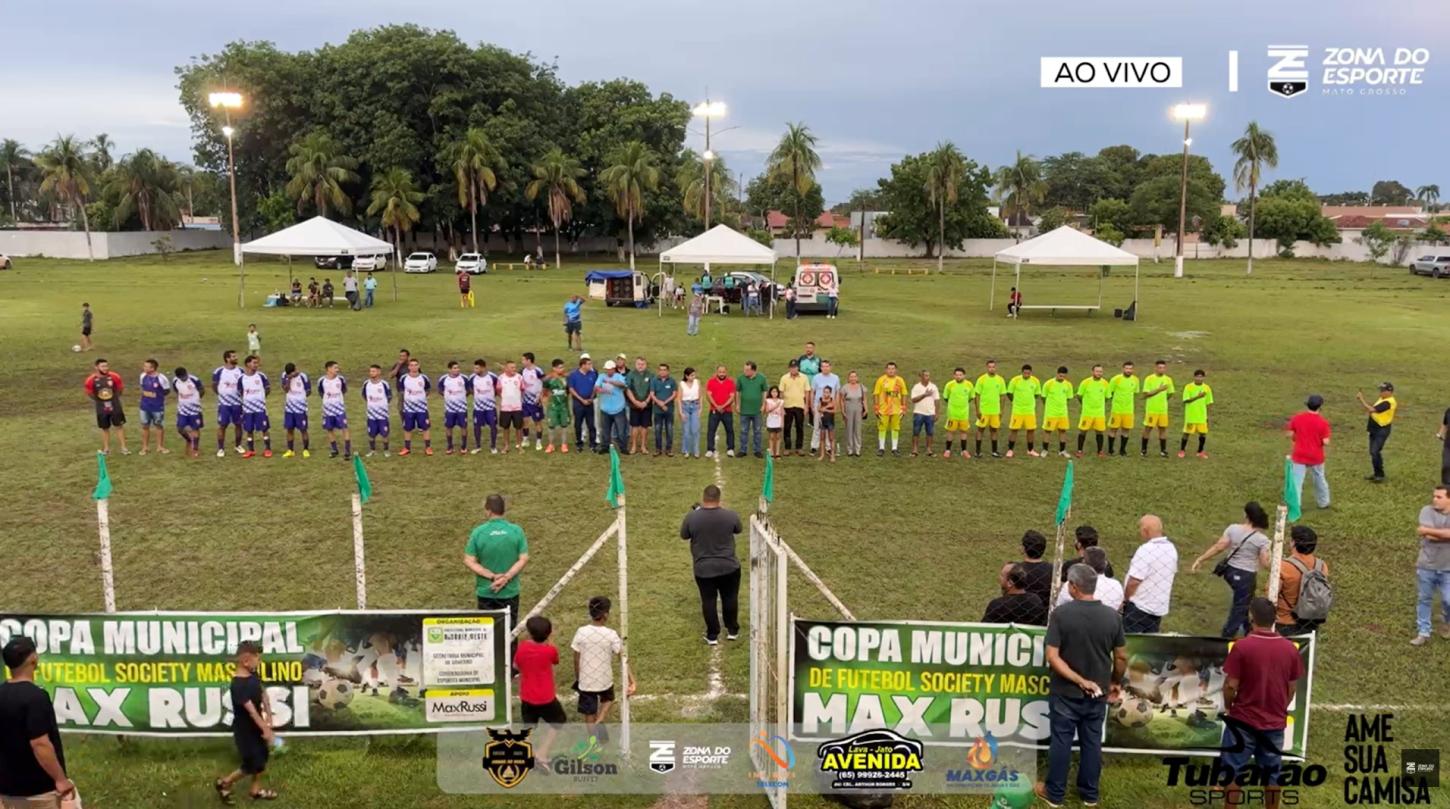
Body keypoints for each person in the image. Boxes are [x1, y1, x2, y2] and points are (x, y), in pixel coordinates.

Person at [1038, 564, 1127, 809]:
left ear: (1074, 587)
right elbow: (1121, 656)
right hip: (1098, 693)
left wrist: (1078, 680)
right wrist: (1116, 681)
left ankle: (1054, 793)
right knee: (1091, 742)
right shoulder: (1112, 617)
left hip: (1066, 692)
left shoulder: (1061, 615)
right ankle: (1090, 794)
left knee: (1061, 740)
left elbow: (1053, 657)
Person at [1218, 598, 1304, 799]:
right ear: (1274, 619)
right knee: (1272, 775)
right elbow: (1292, 687)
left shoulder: (1242, 647)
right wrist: (1280, 708)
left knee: (1232, 771)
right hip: (1273, 722)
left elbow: (1231, 685)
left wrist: (1230, 707)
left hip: (1243, 719)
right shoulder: (1290, 649)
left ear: (1251, 618)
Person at [0, 636, 77, 808]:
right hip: (39, 790)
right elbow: (40, 744)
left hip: (7, 790)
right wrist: (61, 780)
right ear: (33, 659)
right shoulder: (36, 697)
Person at [1190, 502, 1271, 638]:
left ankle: (1248, 630)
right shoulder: (1262, 540)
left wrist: (1201, 559)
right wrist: (1272, 557)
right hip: (1246, 577)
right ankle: (1226, 636)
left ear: (1246, 515)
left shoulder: (1233, 529)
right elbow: (1265, 563)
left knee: (1245, 602)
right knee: (1240, 608)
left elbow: (1219, 547)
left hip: (1230, 572)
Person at [214, 640, 277, 803]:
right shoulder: (237, 685)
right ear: (246, 660)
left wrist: (269, 718)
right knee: (251, 764)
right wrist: (266, 730)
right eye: (258, 659)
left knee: (262, 757)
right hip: (245, 732)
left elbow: (263, 694)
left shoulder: (253, 674)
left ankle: (255, 790)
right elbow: (252, 712)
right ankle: (224, 783)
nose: (260, 662)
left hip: (257, 727)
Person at [680, 485, 743, 644]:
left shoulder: (692, 517)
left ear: (703, 497)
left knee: (708, 600)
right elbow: (738, 529)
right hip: (729, 566)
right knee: (730, 597)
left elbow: (684, 535)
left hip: (704, 568)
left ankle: (712, 635)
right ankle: (732, 630)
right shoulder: (730, 515)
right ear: (719, 499)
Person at [572, 596, 635, 743]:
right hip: (604, 678)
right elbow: (622, 657)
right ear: (606, 614)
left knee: (589, 711)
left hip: (586, 679)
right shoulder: (611, 634)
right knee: (608, 699)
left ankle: (593, 739)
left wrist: (578, 676)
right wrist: (632, 680)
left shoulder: (581, 631)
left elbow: (576, 657)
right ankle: (599, 720)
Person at [464, 494, 530, 636]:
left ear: (488, 511)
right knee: (510, 633)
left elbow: (469, 560)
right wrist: (506, 577)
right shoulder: (516, 531)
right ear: (503, 510)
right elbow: (523, 558)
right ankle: (510, 657)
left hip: (486, 592)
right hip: (510, 592)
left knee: (486, 635)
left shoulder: (478, 532)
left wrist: (493, 576)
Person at [515, 616, 565, 768]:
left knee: (528, 727)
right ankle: (542, 753)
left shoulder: (522, 647)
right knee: (559, 720)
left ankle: (529, 755)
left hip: (527, 696)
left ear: (529, 633)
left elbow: (516, 666)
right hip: (546, 697)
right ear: (549, 634)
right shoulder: (550, 650)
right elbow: (556, 660)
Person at [1122, 514, 1178, 633]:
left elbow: (1134, 581)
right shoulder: (1171, 549)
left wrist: (1125, 599)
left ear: (1145, 530)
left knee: (1130, 644)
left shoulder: (1146, 550)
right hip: (1158, 608)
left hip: (1138, 607)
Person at [1413, 485, 1450, 646]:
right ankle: (1423, 631)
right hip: (1426, 565)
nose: (1434, 499)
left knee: (1449, 600)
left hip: (1448, 567)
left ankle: (1446, 621)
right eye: (1434, 496)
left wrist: (1431, 532)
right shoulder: (1426, 511)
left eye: (1439, 497)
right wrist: (1444, 534)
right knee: (1424, 599)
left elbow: (1429, 533)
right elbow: (1426, 534)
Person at [1277, 525, 1328, 637]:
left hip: (1285, 622)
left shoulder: (1283, 566)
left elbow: (1271, 594)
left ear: (1293, 543)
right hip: (1311, 622)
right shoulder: (1322, 566)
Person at [1285, 394, 1333, 509]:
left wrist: (1297, 439)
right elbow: (1326, 441)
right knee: (1319, 478)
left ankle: (1296, 504)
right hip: (1316, 456)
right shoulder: (1323, 422)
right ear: (1320, 407)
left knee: (1297, 481)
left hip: (1299, 454)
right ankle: (1324, 502)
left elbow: (1290, 434)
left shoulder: (1297, 418)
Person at [1056, 547, 1124, 611]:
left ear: (1084, 564)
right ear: (1105, 564)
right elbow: (1120, 605)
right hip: (1107, 622)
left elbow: (1059, 606)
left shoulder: (1072, 584)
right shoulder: (1116, 585)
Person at [1000, 530, 1054, 606]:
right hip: (1045, 613)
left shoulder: (1016, 570)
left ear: (1023, 549)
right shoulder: (1053, 570)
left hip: (1018, 609)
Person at [1356, 382, 1396, 482]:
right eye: (1380, 390)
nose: (1381, 392)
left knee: (1375, 451)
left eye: (1383, 390)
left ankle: (1380, 475)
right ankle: (1377, 473)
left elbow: (1372, 409)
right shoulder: (1382, 399)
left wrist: (1361, 399)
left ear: (1389, 391)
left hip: (1381, 429)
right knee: (1373, 452)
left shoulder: (1389, 402)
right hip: (1374, 428)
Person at [1005, 363, 1043, 458]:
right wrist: (1015, 401)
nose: (1026, 375)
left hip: (1029, 410)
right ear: (1022, 372)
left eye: (1028, 373)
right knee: (1014, 430)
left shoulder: (1035, 381)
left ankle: (1030, 450)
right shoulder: (1015, 380)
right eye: (1025, 373)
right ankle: (1010, 450)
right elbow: (1009, 393)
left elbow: (1037, 394)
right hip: (1018, 410)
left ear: (1031, 373)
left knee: (1031, 430)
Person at [213, 350, 246, 456]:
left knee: (238, 424)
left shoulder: (241, 371)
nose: (236, 358)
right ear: (227, 359)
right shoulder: (219, 371)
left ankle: (238, 445)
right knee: (222, 425)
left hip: (237, 403)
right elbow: (214, 385)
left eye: (236, 356)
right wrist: (222, 395)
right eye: (233, 356)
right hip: (224, 405)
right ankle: (221, 448)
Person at [1140, 359, 1175, 457]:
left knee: (1162, 429)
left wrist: (1164, 400)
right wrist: (1159, 390)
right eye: (1159, 368)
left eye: (1163, 368)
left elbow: (1170, 393)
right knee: (1148, 428)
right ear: (1155, 368)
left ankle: (1163, 450)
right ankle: (1143, 450)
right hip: (1152, 409)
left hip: (1163, 410)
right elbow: (1146, 393)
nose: (1161, 369)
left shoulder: (1168, 380)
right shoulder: (1149, 379)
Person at [239, 355, 272, 459]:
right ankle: (251, 450)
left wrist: (260, 399)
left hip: (260, 409)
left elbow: (267, 388)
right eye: (254, 363)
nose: (256, 365)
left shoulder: (261, 376)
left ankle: (267, 449)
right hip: (248, 409)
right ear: (248, 364)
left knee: (264, 428)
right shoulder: (242, 378)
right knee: (249, 430)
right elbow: (240, 391)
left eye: (257, 363)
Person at [872, 362, 908, 457]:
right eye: (889, 368)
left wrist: (903, 407)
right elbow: (876, 393)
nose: (891, 370)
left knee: (895, 428)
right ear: (886, 370)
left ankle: (894, 448)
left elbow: (904, 393)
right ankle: (881, 448)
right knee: (882, 428)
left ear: (896, 370)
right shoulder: (881, 380)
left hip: (896, 409)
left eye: (893, 369)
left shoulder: (900, 380)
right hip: (883, 409)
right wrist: (876, 407)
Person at [316, 361, 351, 459]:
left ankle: (347, 451)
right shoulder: (322, 380)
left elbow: (344, 390)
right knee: (329, 429)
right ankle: (334, 450)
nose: (337, 369)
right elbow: (321, 392)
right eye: (335, 368)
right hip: (327, 409)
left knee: (345, 428)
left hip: (339, 409)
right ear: (329, 369)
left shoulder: (340, 379)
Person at [398, 358, 433, 457]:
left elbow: (427, 389)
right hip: (408, 409)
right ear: (409, 367)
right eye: (411, 365)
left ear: (419, 366)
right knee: (407, 428)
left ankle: (428, 447)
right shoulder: (404, 378)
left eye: (415, 365)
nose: (413, 367)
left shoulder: (424, 378)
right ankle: (407, 448)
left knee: (425, 428)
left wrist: (421, 399)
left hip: (421, 409)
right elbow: (401, 390)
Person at [973, 359, 1007, 458]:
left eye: (993, 367)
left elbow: (1003, 396)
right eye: (990, 367)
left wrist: (1001, 410)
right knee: (980, 429)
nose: (991, 369)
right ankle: (978, 451)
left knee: (994, 430)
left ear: (996, 368)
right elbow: (977, 395)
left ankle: (994, 451)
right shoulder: (981, 379)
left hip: (995, 411)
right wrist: (977, 410)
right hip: (984, 410)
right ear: (987, 368)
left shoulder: (1000, 380)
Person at [136, 358, 170, 455]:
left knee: (159, 426)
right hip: (144, 406)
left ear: (153, 368)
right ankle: (145, 447)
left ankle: (160, 446)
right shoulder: (143, 376)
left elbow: (167, 390)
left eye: (146, 366)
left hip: (157, 406)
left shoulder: (161, 378)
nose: (144, 368)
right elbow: (142, 386)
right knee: (145, 426)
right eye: (144, 366)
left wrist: (157, 396)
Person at [1076, 364, 1110, 458]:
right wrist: (1084, 405)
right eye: (1097, 371)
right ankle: (1079, 450)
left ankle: (1100, 451)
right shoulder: (1085, 382)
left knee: (1099, 432)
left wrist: (1100, 405)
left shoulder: (1105, 383)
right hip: (1087, 412)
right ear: (1092, 372)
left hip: (1099, 413)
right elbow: (1079, 395)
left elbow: (1107, 397)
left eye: (1100, 371)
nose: (1099, 373)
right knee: (1083, 431)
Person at [1178, 369, 1214, 458]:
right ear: (1194, 377)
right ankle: (1182, 450)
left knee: (1203, 433)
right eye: (1197, 377)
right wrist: (1198, 397)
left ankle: (1200, 451)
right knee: (1186, 433)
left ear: (1204, 378)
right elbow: (1186, 400)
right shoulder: (1188, 387)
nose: (1199, 379)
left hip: (1201, 416)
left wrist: (1208, 415)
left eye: (1201, 377)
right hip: (1191, 415)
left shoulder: (1207, 388)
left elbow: (1209, 402)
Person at [736, 362, 768, 459]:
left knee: (757, 430)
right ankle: (743, 450)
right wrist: (737, 404)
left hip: (757, 410)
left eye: (747, 370)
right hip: (744, 410)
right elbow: (737, 392)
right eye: (744, 369)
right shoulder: (741, 378)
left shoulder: (762, 378)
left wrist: (763, 405)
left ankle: (757, 450)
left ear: (753, 370)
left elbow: (765, 391)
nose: (745, 371)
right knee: (743, 430)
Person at [595, 360, 629, 454]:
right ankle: (604, 447)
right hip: (605, 408)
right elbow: (596, 387)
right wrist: (601, 390)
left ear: (614, 369)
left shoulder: (619, 376)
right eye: (607, 369)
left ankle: (623, 448)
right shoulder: (601, 376)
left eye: (610, 369)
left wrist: (611, 382)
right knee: (605, 430)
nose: (608, 371)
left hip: (618, 408)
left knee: (621, 431)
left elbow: (623, 385)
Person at [565, 357, 598, 453]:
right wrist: (581, 399)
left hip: (589, 403)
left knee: (591, 424)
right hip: (578, 403)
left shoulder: (593, 374)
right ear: (583, 365)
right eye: (588, 364)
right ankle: (579, 443)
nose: (590, 366)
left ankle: (593, 443)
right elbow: (571, 389)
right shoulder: (574, 375)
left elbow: (595, 387)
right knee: (578, 424)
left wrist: (591, 398)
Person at [796, 343, 825, 451]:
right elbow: (797, 371)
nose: (809, 349)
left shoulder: (818, 359)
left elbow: (821, 372)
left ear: (813, 349)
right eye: (807, 347)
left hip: (814, 385)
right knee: (802, 402)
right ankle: (801, 419)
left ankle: (812, 421)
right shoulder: (801, 359)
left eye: (810, 348)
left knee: (813, 402)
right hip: (802, 385)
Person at [1041, 366, 1075, 458]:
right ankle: (1045, 450)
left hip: (1062, 413)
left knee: (1062, 431)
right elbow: (1043, 397)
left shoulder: (1068, 385)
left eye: (1063, 376)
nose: (1061, 377)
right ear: (1057, 374)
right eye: (1060, 375)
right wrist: (1049, 407)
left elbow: (1068, 398)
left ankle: (1062, 450)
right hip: (1051, 413)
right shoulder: (1049, 383)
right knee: (1048, 431)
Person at [172, 366, 205, 458]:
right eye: (181, 377)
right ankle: (189, 440)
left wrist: (195, 400)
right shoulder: (175, 381)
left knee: (195, 429)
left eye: (185, 376)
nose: (184, 378)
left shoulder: (194, 379)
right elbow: (176, 390)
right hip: (182, 409)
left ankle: (195, 449)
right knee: (180, 428)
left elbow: (202, 390)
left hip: (195, 410)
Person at [438, 361, 470, 455]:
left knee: (463, 426)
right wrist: (448, 397)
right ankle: (449, 446)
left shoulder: (464, 378)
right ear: (449, 369)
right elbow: (440, 390)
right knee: (448, 427)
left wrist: (461, 398)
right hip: (449, 409)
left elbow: (468, 390)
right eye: (454, 368)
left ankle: (464, 446)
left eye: (458, 368)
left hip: (462, 408)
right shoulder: (444, 379)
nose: (457, 369)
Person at [810, 359, 840, 457]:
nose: (825, 368)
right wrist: (812, 405)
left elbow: (837, 392)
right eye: (823, 366)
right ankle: (814, 446)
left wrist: (836, 404)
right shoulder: (816, 377)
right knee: (817, 426)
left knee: (829, 427)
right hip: (818, 406)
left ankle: (828, 447)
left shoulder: (835, 378)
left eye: (827, 366)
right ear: (821, 368)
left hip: (830, 406)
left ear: (830, 367)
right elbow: (812, 392)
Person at [280, 362, 311, 458]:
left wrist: (301, 398)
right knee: (289, 429)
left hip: (300, 408)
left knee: (303, 429)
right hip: (289, 408)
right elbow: (285, 389)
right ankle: (290, 450)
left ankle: (305, 450)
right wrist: (289, 379)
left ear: (296, 369)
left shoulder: (303, 376)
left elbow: (309, 391)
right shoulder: (285, 375)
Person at [495, 360, 527, 454]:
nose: (514, 369)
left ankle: (519, 446)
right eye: (512, 367)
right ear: (506, 368)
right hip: (505, 408)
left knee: (519, 428)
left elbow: (522, 389)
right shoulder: (501, 378)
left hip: (517, 407)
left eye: (515, 367)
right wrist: (504, 399)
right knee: (506, 428)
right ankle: (506, 446)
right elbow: (498, 391)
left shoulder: (519, 377)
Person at [705, 365, 737, 458]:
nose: (722, 374)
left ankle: (730, 449)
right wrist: (716, 406)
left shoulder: (730, 382)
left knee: (729, 430)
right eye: (720, 372)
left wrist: (723, 406)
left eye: (723, 372)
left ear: (726, 372)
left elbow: (732, 397)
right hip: (714, 410)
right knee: (711, 430)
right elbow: (709, 395)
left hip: (727, 411)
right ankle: (710, 449)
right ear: (717, 372)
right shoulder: (711, 382)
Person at [469, 359, 500, 454]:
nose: (475, 369)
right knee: (477, 426)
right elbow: (470, 389)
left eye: (477, 368)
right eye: (474, 367)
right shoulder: (472, 377)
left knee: (493, 426)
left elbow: (497, 388)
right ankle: (478, 446)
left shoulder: (492, 377)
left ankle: (493, 446)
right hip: (478, 408)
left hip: (490, 407)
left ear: (483, 367)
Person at [778, 361, 809, 456]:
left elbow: (807, 391)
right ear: (789, 368)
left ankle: (799, 447)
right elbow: (781, 392)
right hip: (788, 406)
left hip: (800, 405)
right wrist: (781, 406)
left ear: (798, 368)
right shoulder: (784, 378)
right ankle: (787, 447)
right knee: (787, 427)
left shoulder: (804, 377)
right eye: (791, 367)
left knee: (799, 427)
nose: (793, 369)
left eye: (795, 367)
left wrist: (806, 405)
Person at [625, 356, 653, 457]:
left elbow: (652, 390)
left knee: (645, 426)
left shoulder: (650, 375)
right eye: (638, 364)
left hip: (647, 405)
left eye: (642, 364)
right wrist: (635, 401)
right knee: (635, 426)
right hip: (634, 406)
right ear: (635, 364)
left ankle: (643, 446)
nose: (640, 366)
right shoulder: (630, 375)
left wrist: (646, 402)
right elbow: (628, 389)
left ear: (646, 365)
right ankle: (633, 446)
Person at [362, 364, 393, 457]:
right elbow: (364, 395)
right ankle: (372, 450)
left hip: (382, 415)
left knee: (385, 434)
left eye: (374, 371)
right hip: (371, 414)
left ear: (379, 372)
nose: (371, 373)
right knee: (371, 434)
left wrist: (382, 406)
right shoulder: (366, 383)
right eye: (370, 371)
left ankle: (386, 450)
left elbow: (389, 396)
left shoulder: (384, 384)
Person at [543, 359, 571, 454]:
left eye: (563, 367)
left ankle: (564, 444)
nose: (562, 369)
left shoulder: (566, 378)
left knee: (564, 426)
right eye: (559, 367)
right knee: (551, 426)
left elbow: (568, 390)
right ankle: (551, 445)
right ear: (554, 368)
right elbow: (545, 390)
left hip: (563, 406)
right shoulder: (549, 379)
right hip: (553, 406)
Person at [909, 370, 940, 457]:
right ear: (921, 377)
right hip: (919, 412)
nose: (928, 377)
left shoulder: (933, 387)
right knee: (916, 432)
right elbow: (913, 400)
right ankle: (915, 449)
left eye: (928, 375)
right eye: (926, 375)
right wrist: (924, 395)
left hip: (930, 413)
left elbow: (937, 400)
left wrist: (936, 413)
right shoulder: (916, 387)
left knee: (930, 432)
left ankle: (929, 449)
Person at [650, 363, 678, 457]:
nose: (662, 371)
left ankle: (669, 449)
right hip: (657, 410)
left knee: (669, 429)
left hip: (669, 410)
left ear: (668, 371)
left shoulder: (672, 381)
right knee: (657, 429)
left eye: (664, 370)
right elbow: (652, 394)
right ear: (658, 371)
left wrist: (665, 403)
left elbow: (674, 394)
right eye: (661, 370)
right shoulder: (654, 380)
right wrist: (660, 403)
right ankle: (658, 449)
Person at [521, 353, 547, 451]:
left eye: (523, 360)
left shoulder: (538, 371)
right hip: (525, 400)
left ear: (529, 360)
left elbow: (545, 383)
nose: (522, 362)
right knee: (525, 421)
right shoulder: (523, 371)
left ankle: (539, 442)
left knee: (537, 422)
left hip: (535, 401)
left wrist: (541, 396)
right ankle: (525, 440)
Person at [840, 371, 868, 458]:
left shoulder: (861, 387)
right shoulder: (845, 388)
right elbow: (841, 400)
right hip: (849, 408)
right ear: (848, 378)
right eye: (851, 377)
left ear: (857, 378)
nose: (853, 378)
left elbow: (864, 399)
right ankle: (850, 449)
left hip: (858, 408)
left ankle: (858, 449)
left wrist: (866, 409)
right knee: (849, 429)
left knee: (857, 429)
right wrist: (843, 411)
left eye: (854, 376)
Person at [678, 367, 702, 458]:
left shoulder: (697, 382)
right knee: (686, 430)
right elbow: (679, 399)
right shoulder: (681, 384)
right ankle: (686, 450)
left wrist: (700, 409)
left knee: (695, 429)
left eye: (694, 375)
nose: (693, 377)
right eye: (691, 375)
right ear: (686, 376)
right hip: (685, 407)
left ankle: (696, 450)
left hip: (695, 406)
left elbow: (700, 396)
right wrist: (681, 412)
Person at [816, 386, 837, 462]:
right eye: (824, 392)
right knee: (822, 438)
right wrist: (822, 409)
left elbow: (834, 411)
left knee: (831, 438)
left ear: (830, 393)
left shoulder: (832, 400)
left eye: (827, 392)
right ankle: (822, 454)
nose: (826, 394)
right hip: (822, 422)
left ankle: (832, 455)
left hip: (830, 422)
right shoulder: (821, 400)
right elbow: (818, 409)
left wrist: (826, 410)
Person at [764, 385, 785, 458]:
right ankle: (772, 453)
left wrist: (782, 422)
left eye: (776, 392)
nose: (774, 393)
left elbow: (782, 412)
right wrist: (775, 406)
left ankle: (777, 452)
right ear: (770, 393)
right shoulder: (768, 400)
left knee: (778, 437)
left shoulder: (781, 401)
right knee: (771, 437)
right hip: (771, 421)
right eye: (773, 391)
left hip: (778, 420)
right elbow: (766, 410)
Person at [1437, 407, 1450, 485]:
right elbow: (1445, 423)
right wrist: (1440, 433)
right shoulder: (1448, 411)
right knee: (1446, 465)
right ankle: (1446, 485)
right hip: (1448, 445)